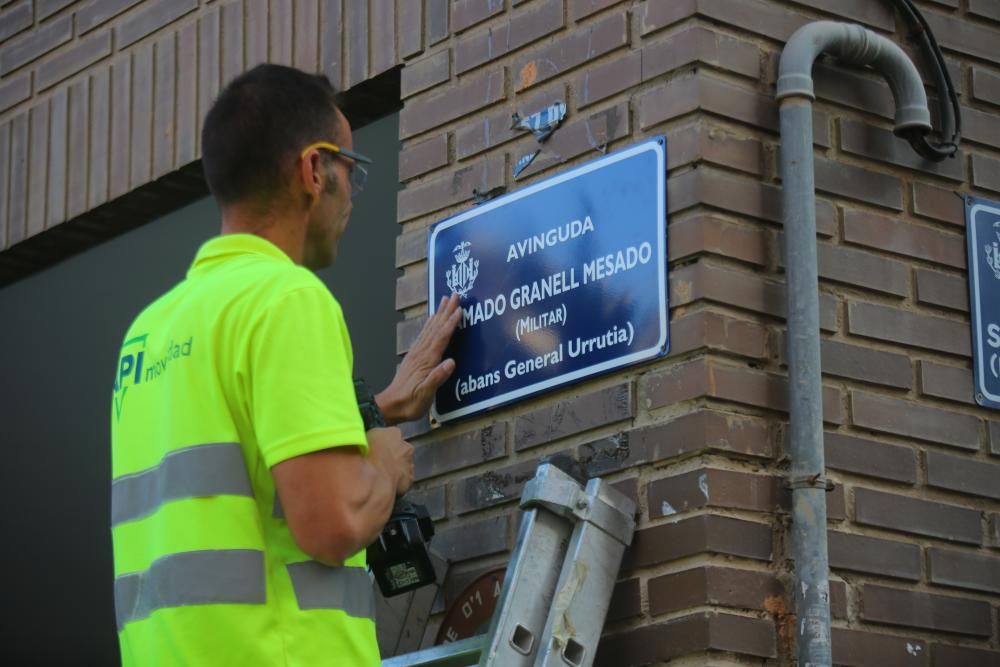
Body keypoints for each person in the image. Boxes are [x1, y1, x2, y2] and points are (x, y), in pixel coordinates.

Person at [110, 63, 462, 666]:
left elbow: (243, 476)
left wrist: (372, 410)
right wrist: (380, 462)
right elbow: (331, 521)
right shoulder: (287, 300)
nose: (352, 189)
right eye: (353, 168)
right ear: (313, 169)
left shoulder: (147, 333)